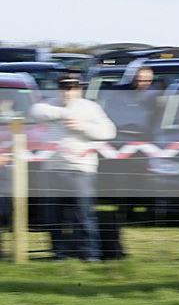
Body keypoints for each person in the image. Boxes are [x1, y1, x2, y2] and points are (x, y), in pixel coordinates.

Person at [29, 74, 117, 261]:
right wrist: (64, 114)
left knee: (83, 215)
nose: (67, 93)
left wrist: (83, 126)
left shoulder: (91, 108)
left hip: (81, 168)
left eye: (72, 89)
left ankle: (90, 255)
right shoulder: (50, 105)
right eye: (64, 89)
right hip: (53, 168)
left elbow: (109, 131)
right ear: (58, 90)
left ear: (79, 89)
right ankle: (59, 254)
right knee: (53, 217)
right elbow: (35, 111)